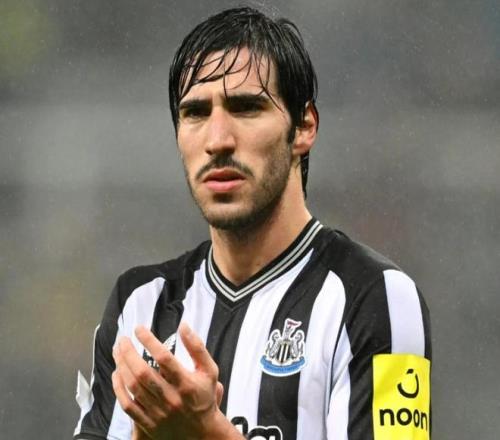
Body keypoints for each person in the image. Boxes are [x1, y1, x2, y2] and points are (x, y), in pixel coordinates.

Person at [73, 6, 431, 440]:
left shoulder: (377, 298)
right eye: (195, 113)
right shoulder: (140, 307)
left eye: (246, 108)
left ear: (303, 126)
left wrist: (207, 434)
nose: (217, 140)